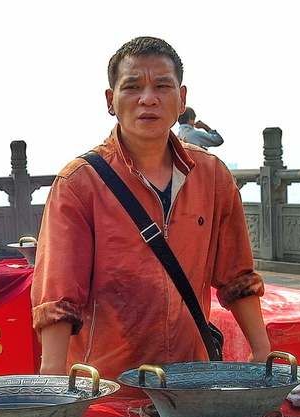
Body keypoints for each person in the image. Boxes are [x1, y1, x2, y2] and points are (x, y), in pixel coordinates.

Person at [31, 37, 269, 382]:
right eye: (132, 87)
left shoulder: (212, 175)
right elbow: (59, 293)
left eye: (162, 86)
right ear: (111, 101)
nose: (148, 98)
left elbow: (237, 275)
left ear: (181, 98)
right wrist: (53, 374)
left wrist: (261, 349)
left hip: (192, 378)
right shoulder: (80, 183)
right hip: (107, 385)